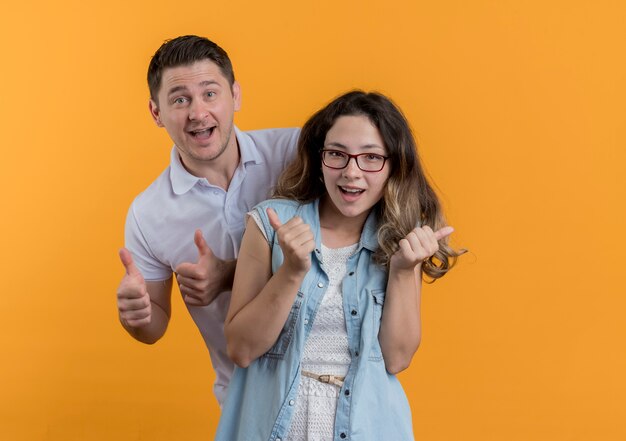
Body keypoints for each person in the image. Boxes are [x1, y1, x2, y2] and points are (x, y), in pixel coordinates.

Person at [215, 90, 463, 440]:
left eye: (371, 158)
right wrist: (291, 271)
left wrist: (404, 271)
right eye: (337, 154)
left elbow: (396, 359)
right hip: (275, 424)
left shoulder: (397, 241)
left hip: (366, 426)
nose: (351, 172)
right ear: (320, 159)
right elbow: (241, 349)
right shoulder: (271, 224)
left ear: (393, 166)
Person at [115, 35, 299, 405]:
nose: (197, 112)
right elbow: (155, 324)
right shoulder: (147, 212)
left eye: (210, 93)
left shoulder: (294, 153)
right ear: (156, 113)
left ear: (236, 96)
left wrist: (229, 273)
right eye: (180, 99)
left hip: (333, 384)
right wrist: (135, 315)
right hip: (245, 401)